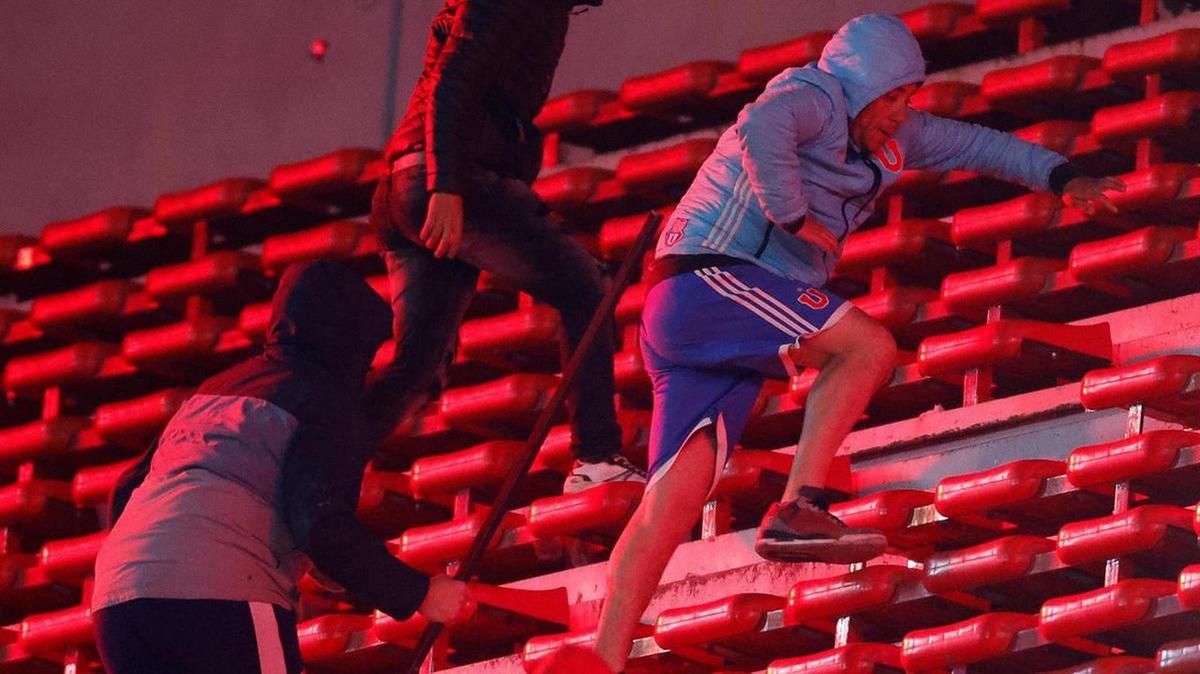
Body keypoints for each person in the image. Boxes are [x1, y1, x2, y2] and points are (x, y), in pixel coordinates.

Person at [591, 14, 1125, 673]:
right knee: (867, 348)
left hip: (693, 313)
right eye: (891, 95)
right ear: (860, 83)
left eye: (908, 96)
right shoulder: (815, 95)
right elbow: (761, 127)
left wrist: (1062, 177)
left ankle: (600, 661)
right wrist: (793, 216)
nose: (900, 111)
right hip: (710, 279)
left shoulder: (896, 134)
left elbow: (978, 146)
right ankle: (800, 508)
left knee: (670, 505)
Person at [92, 261, 472, 674]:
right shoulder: (325, 399)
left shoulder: (218, 388)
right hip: (216, 594)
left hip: (117, 603)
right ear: (350, 338)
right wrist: (419, 593)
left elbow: (128, 486)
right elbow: (319, 521)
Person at [366, 0, 643, 492]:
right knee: (585, 285)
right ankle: (597, 456)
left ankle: (319, 473)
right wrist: (445, 184)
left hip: (407, 182)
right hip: (444, 177)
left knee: (417, 369)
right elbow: (456, 78)